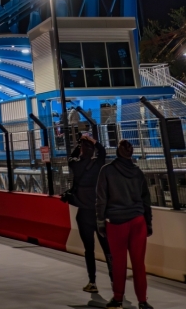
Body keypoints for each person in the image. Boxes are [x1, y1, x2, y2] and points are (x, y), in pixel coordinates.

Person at [96, 138, 153, 309]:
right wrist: (148, 223)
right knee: (139, 264)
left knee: (119, 263)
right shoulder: (138, 172)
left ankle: (117, 299)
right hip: (138, 222)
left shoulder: (106, 171)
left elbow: (101, 199)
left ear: (116, 152)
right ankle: (142, 301)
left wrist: (100, 222)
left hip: (116, 223)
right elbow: (146, 200)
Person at [64, 131, 112, 295]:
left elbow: (70, 157)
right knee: (107, 249)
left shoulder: (76, 165)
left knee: (89, 250)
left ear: (82, 150)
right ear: (93, 151)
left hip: (83, 215)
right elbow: (103, 152)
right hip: (99, 213)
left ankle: (92, 282)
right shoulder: (99, 165)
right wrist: (92, 140)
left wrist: (80, 144)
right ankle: (115, 280)